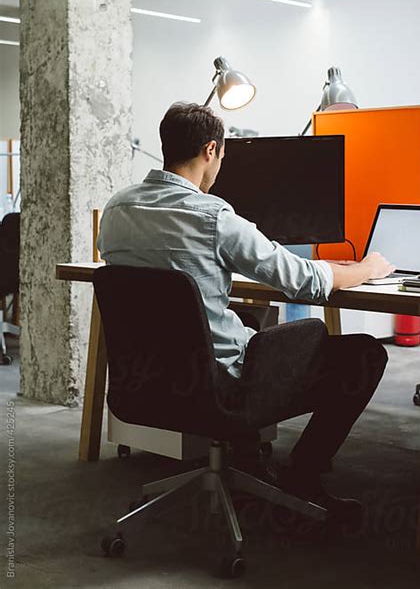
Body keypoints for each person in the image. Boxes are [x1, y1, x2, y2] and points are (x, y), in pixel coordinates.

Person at [98, 101, 394, 521]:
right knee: (363, 353)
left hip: (147, 383)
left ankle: (249, 458)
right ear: (210, 150)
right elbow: (302, 280)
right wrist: (367, 268)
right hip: (219, 387)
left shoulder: (116, 209)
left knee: (245, 322)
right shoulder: (213, 216)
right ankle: (303, 474)